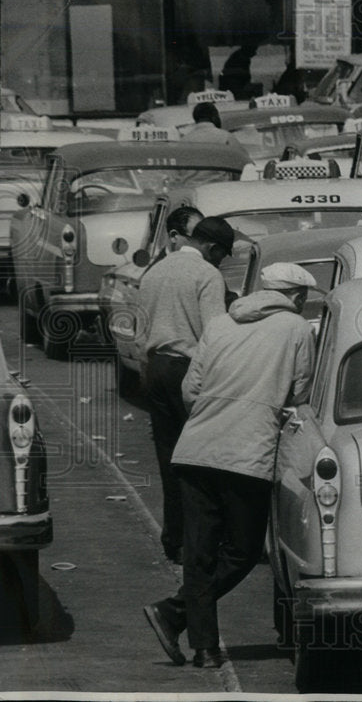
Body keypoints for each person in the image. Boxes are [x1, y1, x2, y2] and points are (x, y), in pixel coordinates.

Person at [144, 262, 316, 669]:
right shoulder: (297, 330)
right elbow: (301, 393)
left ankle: (201, 646)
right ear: (298, 297)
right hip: (247, 454)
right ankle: (173, 613)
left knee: (199, 553)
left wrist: (213, 416)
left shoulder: (220, 324)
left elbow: (191, 389)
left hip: (197, 449)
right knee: (242, 552)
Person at [136, 216, 235, 564]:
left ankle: (174, 539)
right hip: (187, 369)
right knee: (201, 458)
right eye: (223, 254)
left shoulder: (154, 272)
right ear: (211, 247)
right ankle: (204, 540)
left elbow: (140, 329)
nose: (222, 261)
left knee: (169, 459)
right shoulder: (207, 275)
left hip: (155, 368)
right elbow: (214, 333)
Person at [181, 102, 247, 154]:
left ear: (195, 119)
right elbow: (245, 162)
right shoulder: (226, 137)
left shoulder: (184, 142)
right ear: (214, 117)